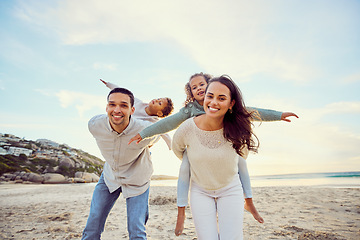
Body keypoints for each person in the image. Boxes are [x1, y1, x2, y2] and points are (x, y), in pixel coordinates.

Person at [128, 73, 299, 235]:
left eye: (202, 84)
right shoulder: (189, 113)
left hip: (227, 172)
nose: (200, 90)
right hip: (195, 154)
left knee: (240, 162)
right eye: (195, 88)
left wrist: (279, 115)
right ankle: (181, 213)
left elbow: (252, 112)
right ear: (191, 93)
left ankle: (249, 201)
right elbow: (166, 124)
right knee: (185, 166)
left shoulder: (230, 114)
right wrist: (144, 134)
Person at [172, 74, 262, 239]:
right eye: (210, 96)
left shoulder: (238, 130)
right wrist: (198, 160)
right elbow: (178, 150)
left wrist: (248, 198)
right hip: (200, 191)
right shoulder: (187, 128)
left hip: (230, 189)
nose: (213, 103)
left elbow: (242, 161)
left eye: (221, 98)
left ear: (231, 103)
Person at [82, 87, 160, 240]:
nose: (117, 110)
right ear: (106, 107)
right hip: (110, 176)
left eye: (123, 105)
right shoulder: (95, 125)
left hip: (137, 179)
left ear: (132, 110)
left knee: (136, 230)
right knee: (93, 224)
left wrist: (148, 145)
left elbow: (157, 134)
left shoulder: (145, 130)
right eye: (112, 104)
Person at [100, 79, 174, 149]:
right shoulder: (138, 102)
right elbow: (124, 93)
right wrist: (108, 84)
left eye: (159, 103)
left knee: (152, 138)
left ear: (159, 113)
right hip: (121, 125)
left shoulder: (154, 122)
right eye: (158, 99)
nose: (156, 100)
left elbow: (164, 132)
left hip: (132, 136)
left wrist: (171, 146)